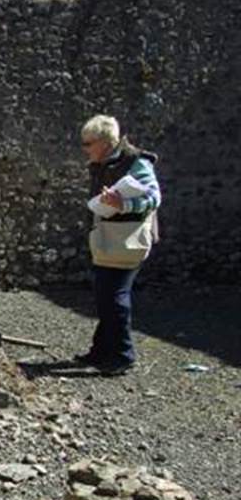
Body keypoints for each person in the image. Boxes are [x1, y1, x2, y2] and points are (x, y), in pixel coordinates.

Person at [76, 115, 161, 376]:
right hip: (109, 239)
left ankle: (122, 355)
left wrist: (122, 205)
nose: (85, 148)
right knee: (106, 295)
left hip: (124, 241)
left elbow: (154, 197)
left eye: (88, 143)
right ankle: (101, 351)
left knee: (114, 297)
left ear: (104, 142)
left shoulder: (136, 162)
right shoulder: (104, 162)